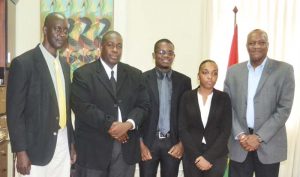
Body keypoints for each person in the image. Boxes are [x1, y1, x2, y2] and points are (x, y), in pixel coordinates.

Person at [71, 30, 150, 177]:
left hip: (125, 151)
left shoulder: (135, 75)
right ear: (101, 46)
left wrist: (128, 125)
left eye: (119, 46)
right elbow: (83, 108)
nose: (115, 50)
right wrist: (113, 126)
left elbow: (143, 105)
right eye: (110, 45)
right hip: (93, 151)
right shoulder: (83, 74)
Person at [6, 12, 76, 177]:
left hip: (62, 147)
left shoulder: (65, 67)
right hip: (34, 151)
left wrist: (71, 142)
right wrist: (20, 151)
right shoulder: (23, 64)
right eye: (57, 29)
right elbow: (15, 113)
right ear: (45, 30)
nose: (62, 34)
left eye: (65, 31)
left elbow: (65, 108)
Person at [224, 29, 295, 177]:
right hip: (239, 144)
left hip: (269, 144)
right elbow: (227, 107)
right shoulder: (233, 72)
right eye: (252, 43)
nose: (256, 46)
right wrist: (241, 135)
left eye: (261, 43)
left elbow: (284, 109)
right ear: (247, 46)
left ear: (268, 45)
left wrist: (259, 137)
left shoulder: (284, 70)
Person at [139, 39, 192, 177]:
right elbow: (136, 112)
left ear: (174, 56)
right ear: (154, 55)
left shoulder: (184, 81)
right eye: (162, 52)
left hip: (173, 143)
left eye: (170, 53)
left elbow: (188, 116)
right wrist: (140, 143)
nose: (166, 56)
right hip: (149, 143)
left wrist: (182, 143)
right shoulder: (141, 79)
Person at [178, 60, 232, 177]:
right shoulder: (187, 97)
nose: (210, 77)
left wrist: (208, 157)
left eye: (214, 73)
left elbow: (226, 130)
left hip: (217, 156)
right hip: (192, 155)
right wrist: (197, 157)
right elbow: (182, 128)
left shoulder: (224, 98)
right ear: (198, 76)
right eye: (205, 72)